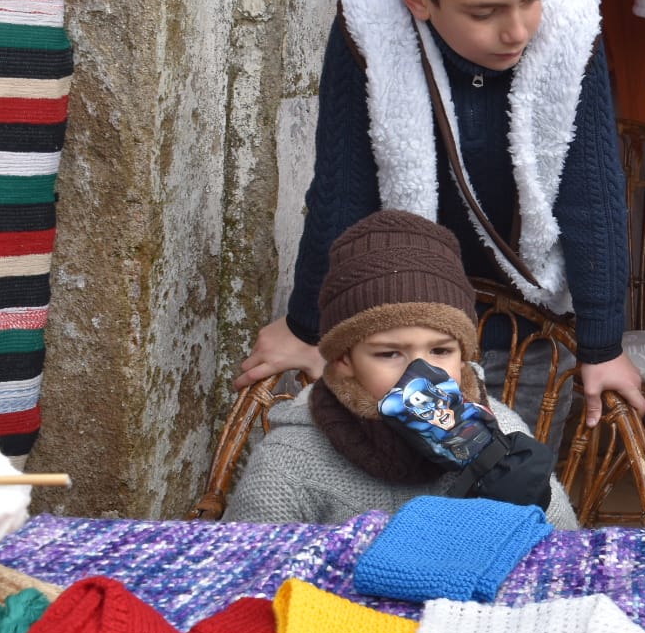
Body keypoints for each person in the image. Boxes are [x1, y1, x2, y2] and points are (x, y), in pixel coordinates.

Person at [235, 0, 645, 454]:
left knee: (507, 486)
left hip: (526, 326)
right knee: (399, 488)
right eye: (485, 13)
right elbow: (342, 193)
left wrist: (604, 344)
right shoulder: (368, 29)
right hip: (401, 323)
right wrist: (307, 326)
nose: (518, 30)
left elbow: (594, 196)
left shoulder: (570, 28)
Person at [226, 210, 579, 528]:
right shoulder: (291, 459)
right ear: (343, 359)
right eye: (389, 353)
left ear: (464, 355)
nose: (422, 375)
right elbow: (250, 567)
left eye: (441, 350)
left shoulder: (502, 431)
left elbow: (562, 547)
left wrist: (520, 486)